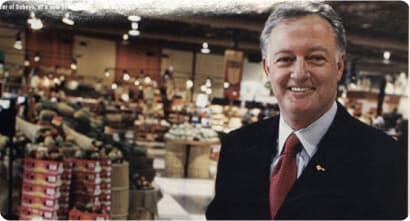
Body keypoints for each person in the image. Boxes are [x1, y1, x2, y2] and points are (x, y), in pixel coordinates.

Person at [206, 1, 407, 220]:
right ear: (267, 68)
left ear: (339, 67)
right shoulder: (236, 147)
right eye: (285, 59)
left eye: (315, 58)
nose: (299, 73)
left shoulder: (385, 159)